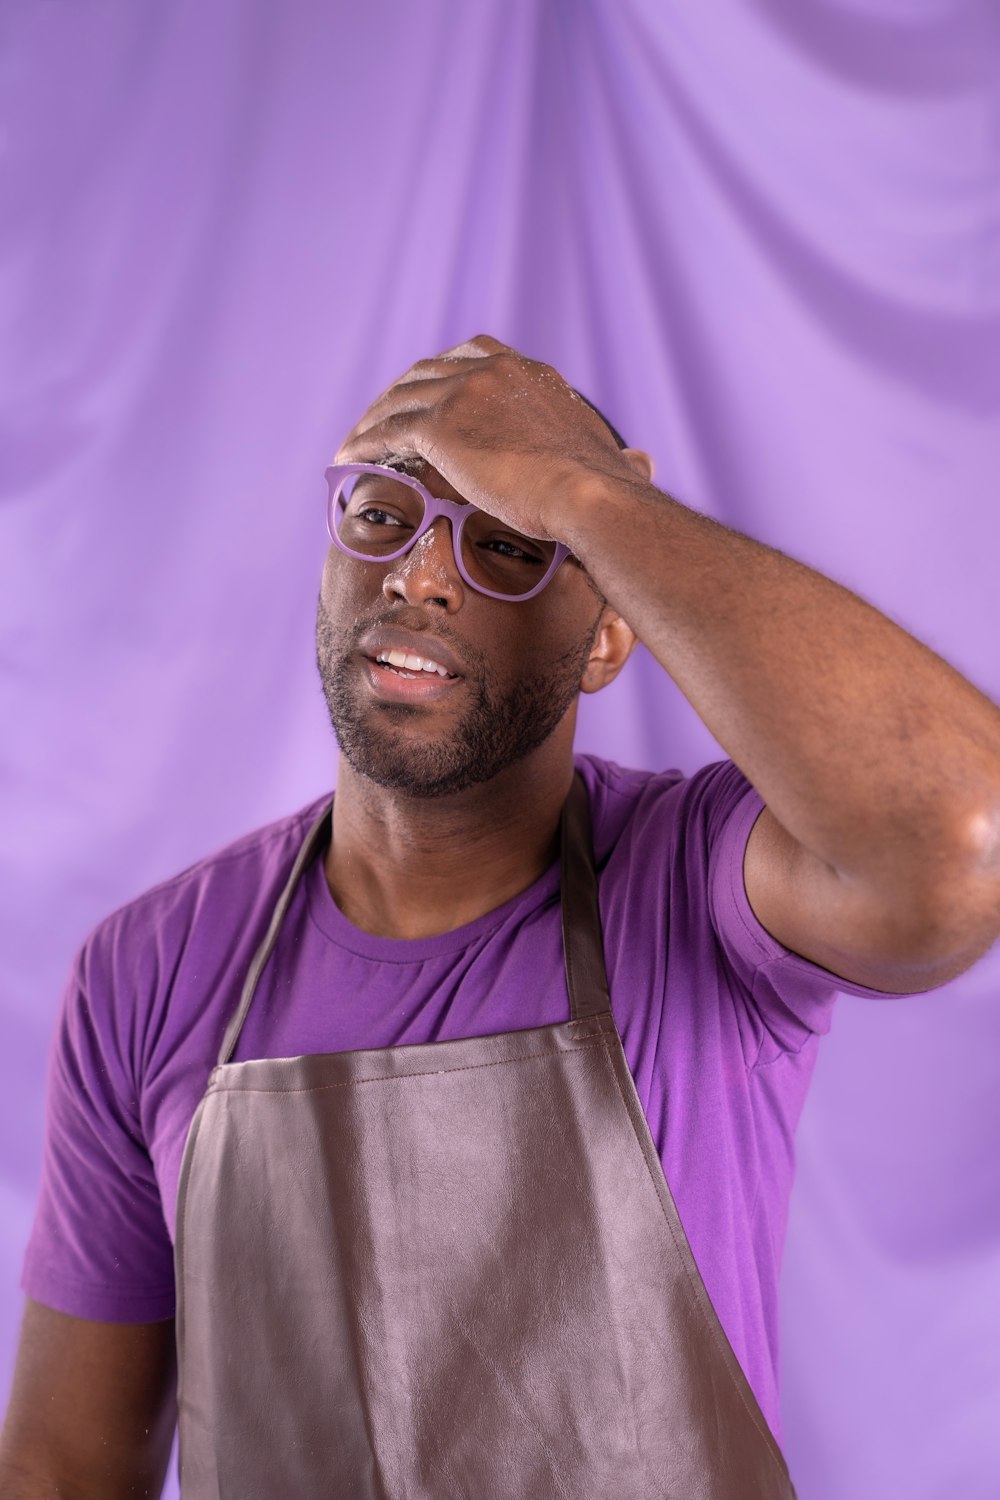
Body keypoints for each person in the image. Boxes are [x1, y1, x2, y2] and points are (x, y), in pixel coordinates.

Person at [2, 333, 999, 1500]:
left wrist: (583, 490)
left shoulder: (695, 883)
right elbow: (63, 1466)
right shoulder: (153, 966)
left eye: (510, 544)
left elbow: (955, 847)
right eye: (381, 515)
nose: (418, 578)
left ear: (610, 635)